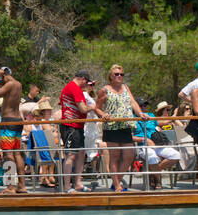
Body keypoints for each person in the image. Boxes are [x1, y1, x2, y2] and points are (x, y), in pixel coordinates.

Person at [97, 64, 148, 193]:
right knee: (114, 155)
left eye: (121, 74)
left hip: (126, 125)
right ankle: (117, 186)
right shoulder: (105, 90)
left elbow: (133, 102)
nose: (119, 76)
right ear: (111, 76)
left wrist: (140, 113)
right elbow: (97, 107)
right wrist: (103, 114)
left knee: (129, 155)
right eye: (116, 74)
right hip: (112, 126)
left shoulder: (125, 88)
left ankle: (116, 181)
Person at [0, 66, 26, 194]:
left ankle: (10, 187)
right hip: (18, 121)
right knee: (17, 153)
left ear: (4, 76)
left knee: (8, 154)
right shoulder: (18, 84)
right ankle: (22, 185)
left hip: (8, 121)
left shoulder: (9, 84)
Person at [58, 69, 95, 193]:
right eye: (86, 83)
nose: (86, 86)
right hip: (70, 127)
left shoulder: (76, 89)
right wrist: (95, 107)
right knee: (70, 155)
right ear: (83, 79)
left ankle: (78, 183)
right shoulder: (73, 88)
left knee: (81, 154)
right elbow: (83, 109)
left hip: (78, 126)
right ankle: (67, 186)